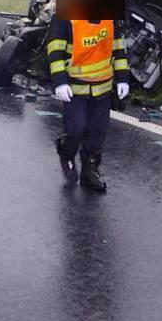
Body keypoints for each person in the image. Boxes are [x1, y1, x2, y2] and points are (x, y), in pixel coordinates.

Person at [47, 17, 129, 192]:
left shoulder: (110, 18)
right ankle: (66, 153)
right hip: (75, 89)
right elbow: (55, 52)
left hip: (103, 89)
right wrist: (60, 81)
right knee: (76, 129)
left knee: (97, 132)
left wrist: (123, 78)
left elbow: (118, 49)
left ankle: (90, 171)